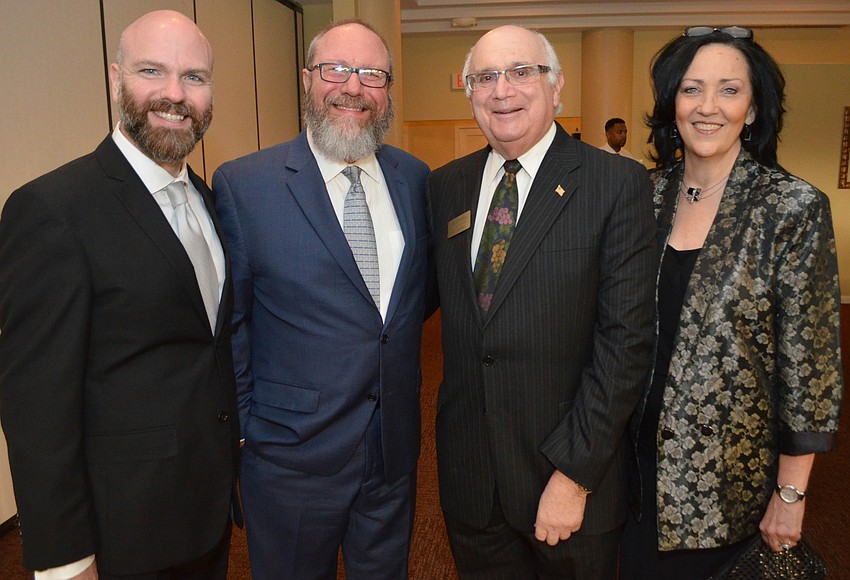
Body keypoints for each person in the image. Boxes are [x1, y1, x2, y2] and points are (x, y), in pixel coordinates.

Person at [0, 10, 239, 580]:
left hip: (205, 514)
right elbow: (36, 407)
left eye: (195, 78)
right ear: (115, 80)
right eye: (152, 71)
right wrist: (64, 559)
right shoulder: (54, 210)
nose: (175, 95)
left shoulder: (209, 201)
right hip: (119, 536)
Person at [426, 25, 656, 579]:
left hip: (567, 483)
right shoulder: (444, 187)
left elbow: (626, 344)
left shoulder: (615, 183)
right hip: (473, 485)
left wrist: (574, 476)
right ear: (469, 92)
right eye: (485, 77)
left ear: (556, 86)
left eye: (521, 72)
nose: (502, 90)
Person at [619, 26, 844, 579]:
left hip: (728, 491)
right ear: (671, 103)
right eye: (692, 89)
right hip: (631, 477)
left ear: (754, 105)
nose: (708, 107)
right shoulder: (640, 197)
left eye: (729, 90)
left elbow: (810, 367)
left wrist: (790, 495)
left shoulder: (791, 208)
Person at [212, 19, 430, 580]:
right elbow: (232, 323)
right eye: (335, 69)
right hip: (289, 459)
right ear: (308, 80)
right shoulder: (245, 185)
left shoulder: (415, 178)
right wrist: (248, 426)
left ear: (387, 91)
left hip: (392, 453)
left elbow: (410, 304)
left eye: (371, 74)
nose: (352, 87)